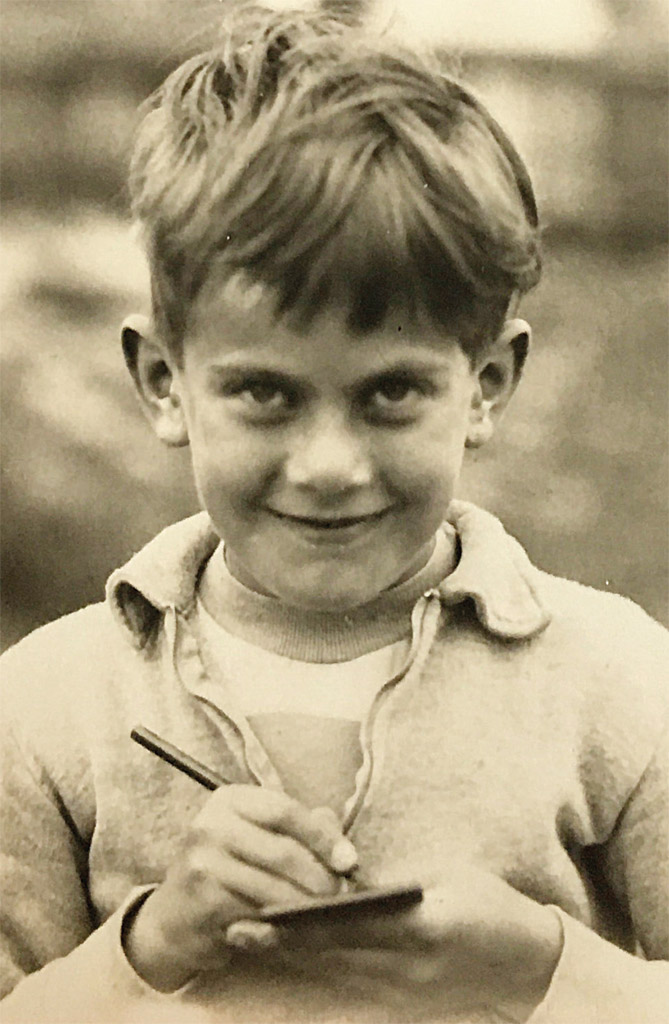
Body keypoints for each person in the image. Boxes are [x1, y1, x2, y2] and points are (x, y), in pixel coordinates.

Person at [1, 4, 667, 1022]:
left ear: (486, 382)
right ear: (163, 382)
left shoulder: (616, 683)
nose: (327, 466)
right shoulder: (50, 707)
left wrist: (541, 965)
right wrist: (151, 943)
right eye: (265, 392)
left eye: (390, 392)